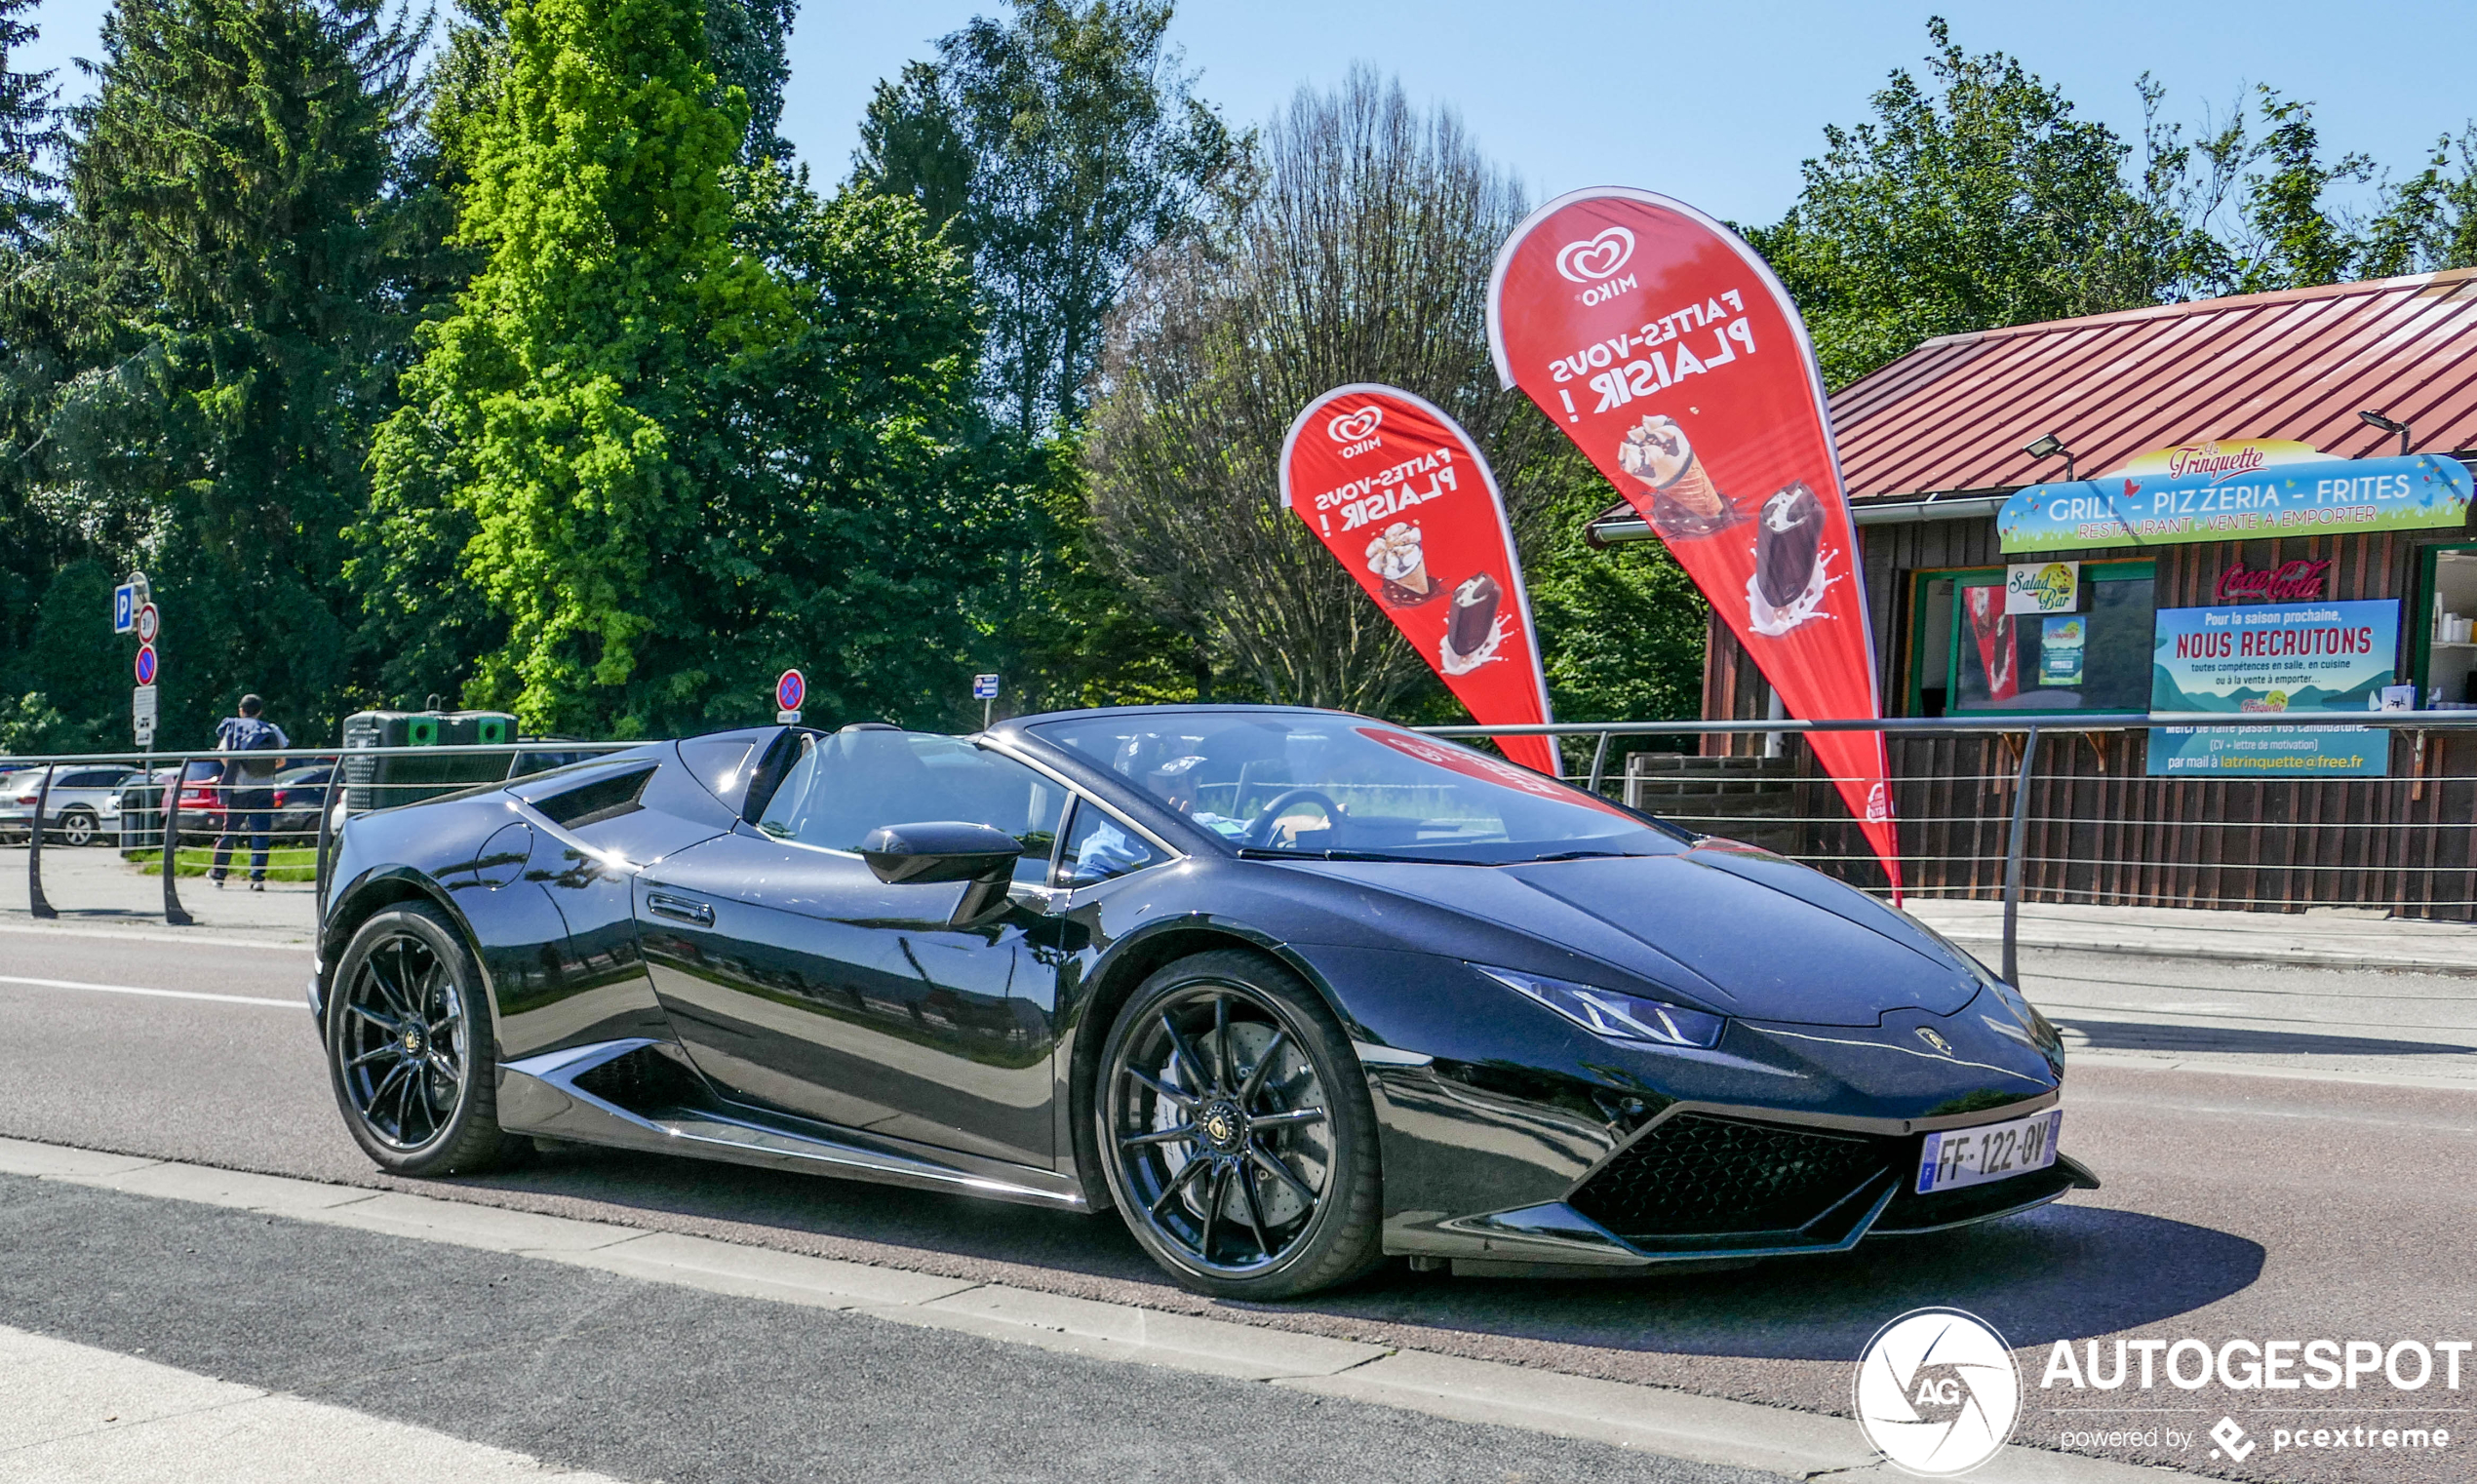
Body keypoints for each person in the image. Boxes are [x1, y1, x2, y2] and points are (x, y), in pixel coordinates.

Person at [211, 694, 289, 890]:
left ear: (240, 710)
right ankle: (257, 879)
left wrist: (239, 770)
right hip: (263, 789)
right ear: (260, 711)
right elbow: (282, 761)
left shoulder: (233, 727)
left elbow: (224, 756)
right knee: (260, 834)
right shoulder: (271, 729)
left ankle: (218, 875)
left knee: (229, 832)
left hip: (238, 790)